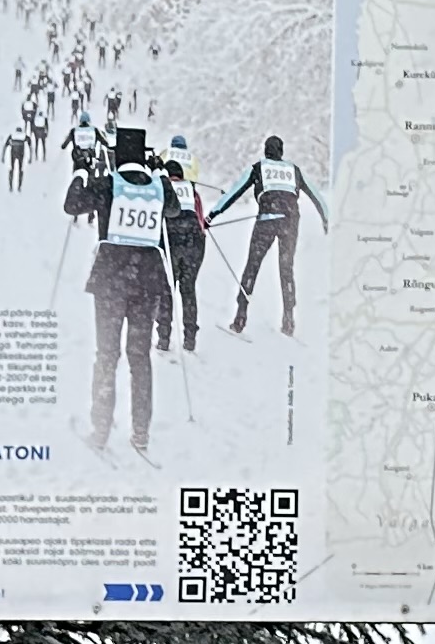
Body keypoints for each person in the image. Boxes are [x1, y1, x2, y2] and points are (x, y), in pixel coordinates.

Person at [65, 125, 170, 455]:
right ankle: (141, 432)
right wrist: (159, 173)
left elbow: (72, 206)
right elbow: (175, 211)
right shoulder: (157, 187)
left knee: (107, 355)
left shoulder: (108, 184)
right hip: (149, 279)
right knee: (140, 358)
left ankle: (100, 428)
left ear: (116, 156)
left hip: (111, 278)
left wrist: (81, 171)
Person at [215, 135, 326, 334]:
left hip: (267, 220)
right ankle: (289, 320)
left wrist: (212, 215)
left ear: (265, 151)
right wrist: (326, 219)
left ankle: (240, 317)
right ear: (281, 152)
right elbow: (317, 196)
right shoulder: (294, 170)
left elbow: (234, 192)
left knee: (252, 266)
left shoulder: (258, 168)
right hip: (290, 222)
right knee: (286, 269)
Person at [159, 140, 209, 353]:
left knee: (166, 289)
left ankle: (163, 338)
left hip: (171, 237)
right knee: (188, 289)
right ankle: (190, 338)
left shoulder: (162, 188)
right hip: (194, 240)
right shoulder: (192, 190)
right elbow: (200, 219)